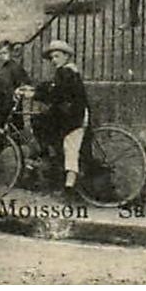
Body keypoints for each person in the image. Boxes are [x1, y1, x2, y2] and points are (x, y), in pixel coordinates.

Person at [24, 39, 88, 194]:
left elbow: (57, 93)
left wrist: (34, 95)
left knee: (70, 146)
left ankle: (69, 186)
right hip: (65, 114)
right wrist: (33, 89)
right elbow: (51, 86)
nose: (53, 60)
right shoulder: (63, 72)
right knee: (40, 121)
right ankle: (48, 158)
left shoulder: (68, 72)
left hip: (74, 116)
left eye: (57, 56)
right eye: (52, 58)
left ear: (66, 56)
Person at [0, 40, 29, 114]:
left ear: (10, 53)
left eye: (5, 53)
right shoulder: (2, 68)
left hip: (12, 101)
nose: (2, 56)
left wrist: (18, 92)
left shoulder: (15, 67)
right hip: (3, 100)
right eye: (0, 54)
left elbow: (25, 82)